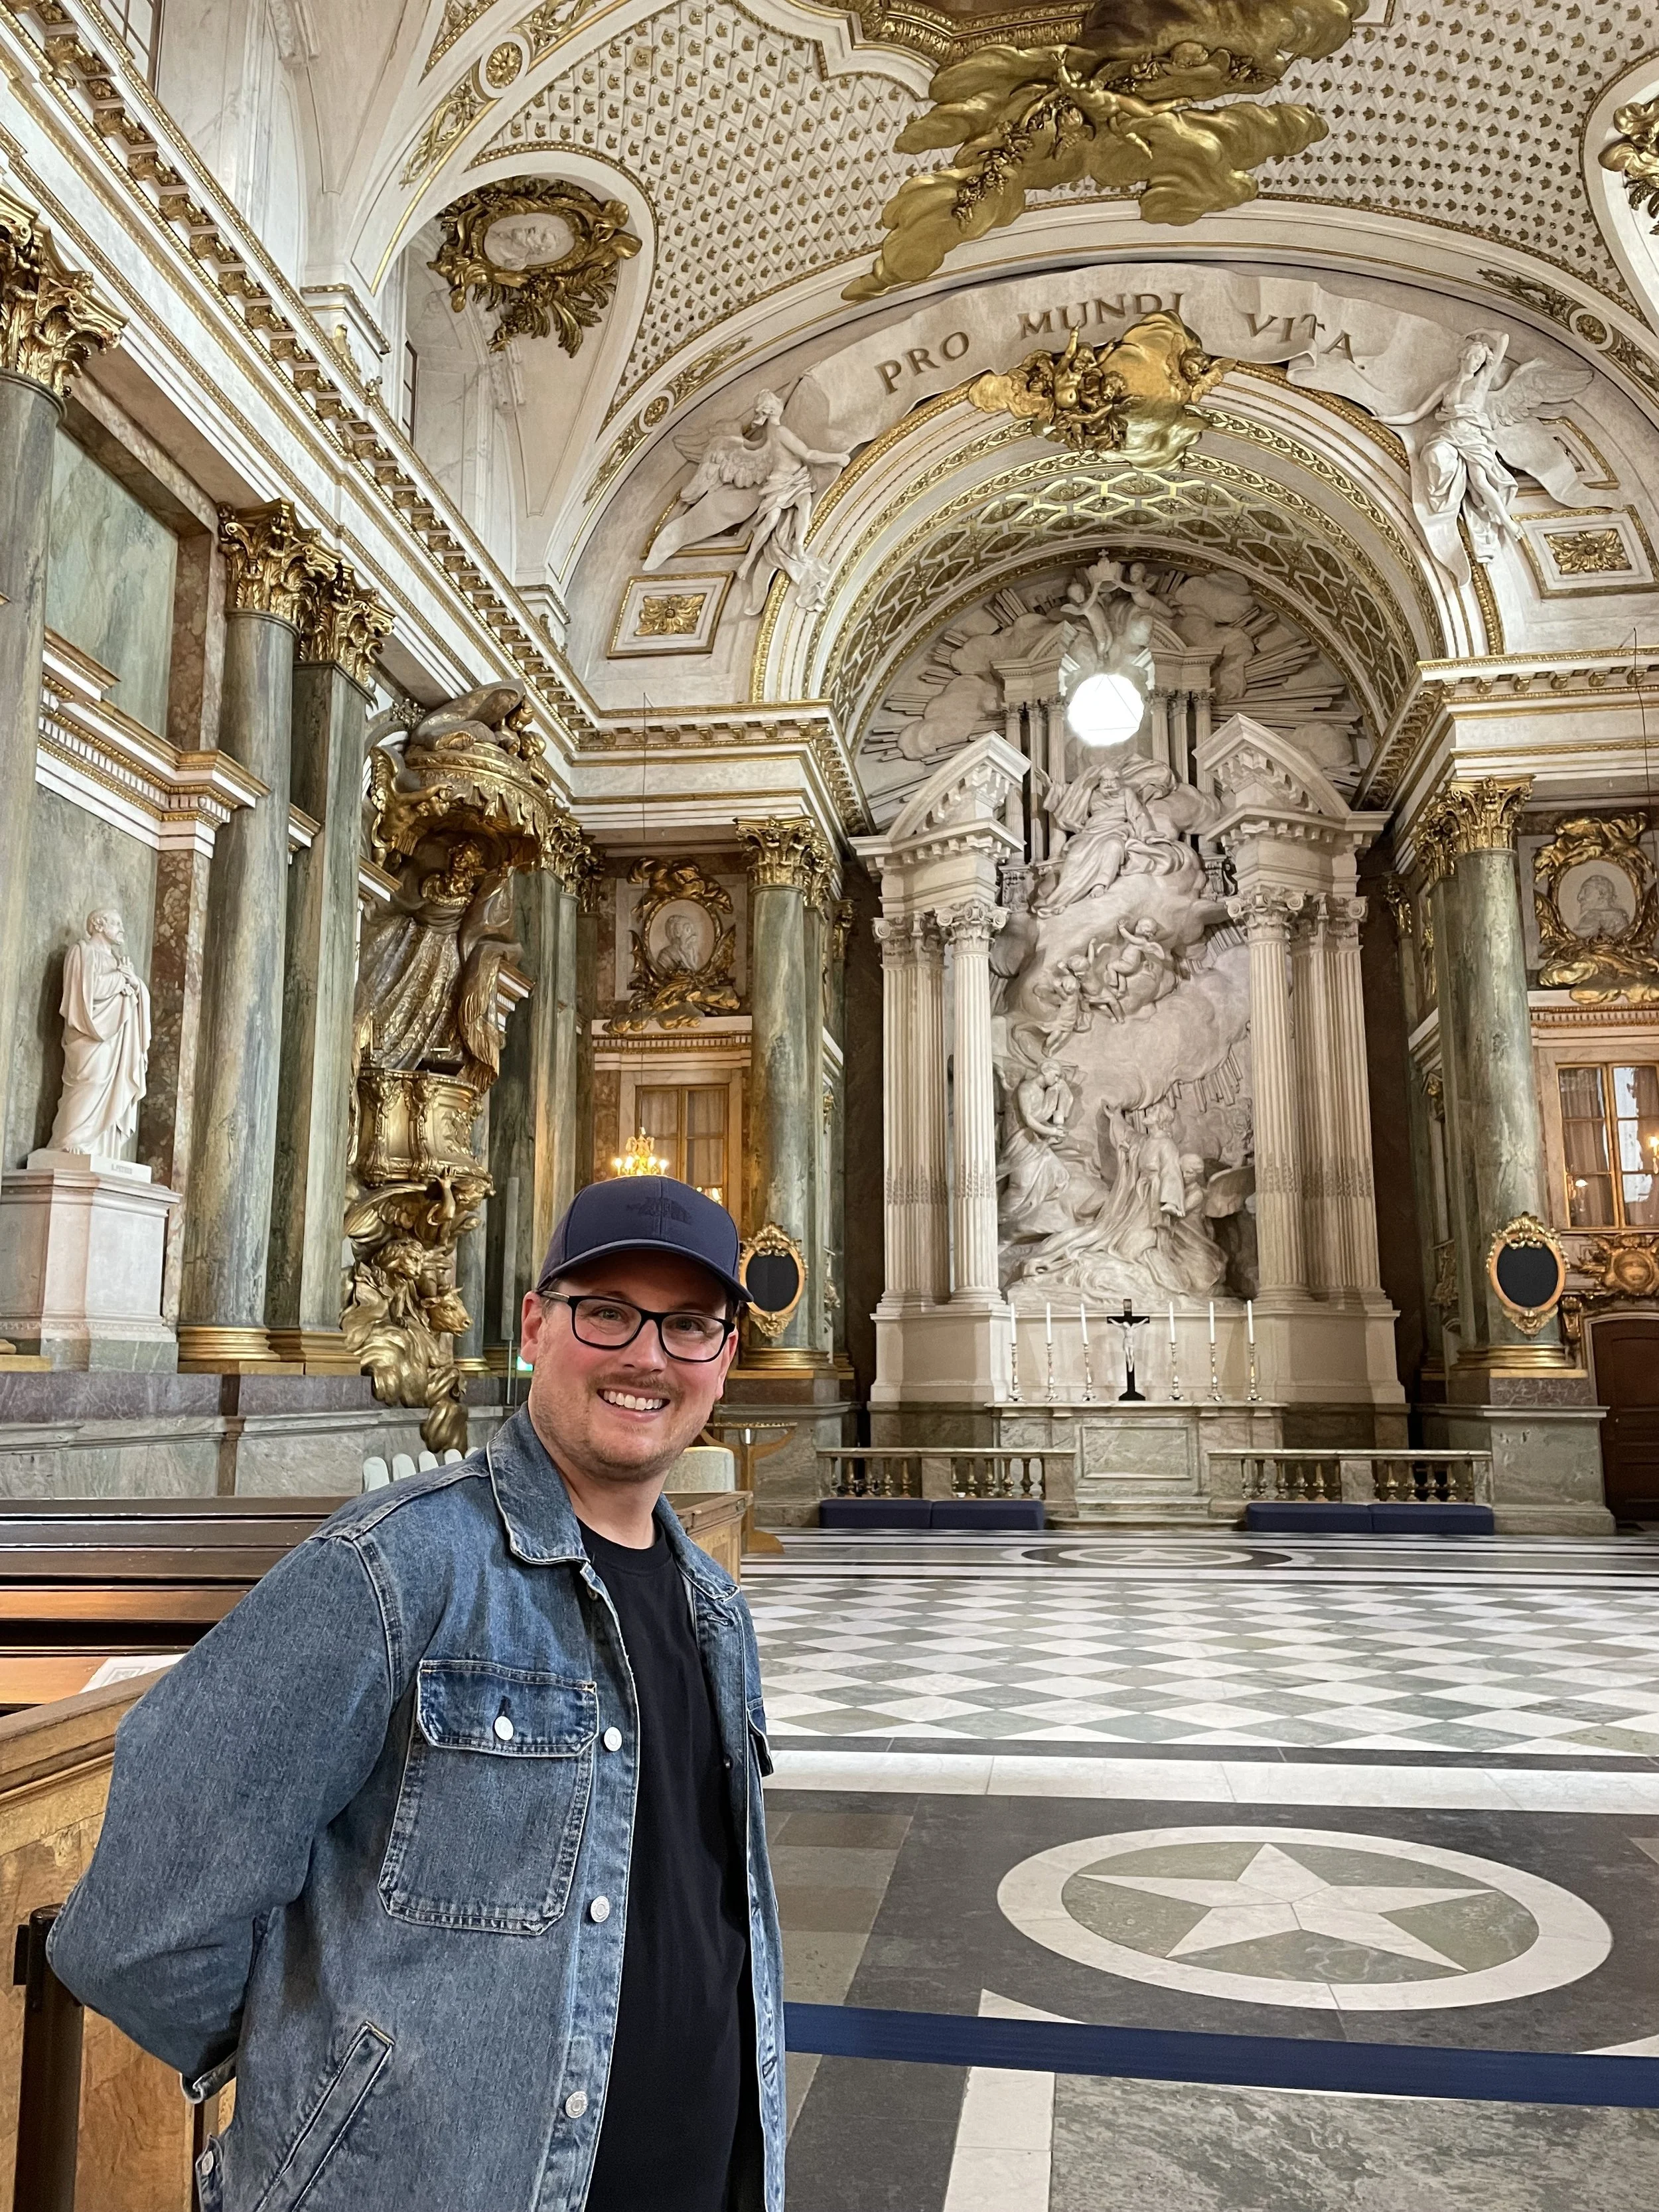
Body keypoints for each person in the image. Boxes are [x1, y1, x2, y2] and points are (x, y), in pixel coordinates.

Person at [47, 1176, 784, 2212]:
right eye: (606, 1312)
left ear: (726, 1358)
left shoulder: (716, 1610)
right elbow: (134, 1923)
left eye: (689, 1325)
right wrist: (332, 2089)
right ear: (536, 1325)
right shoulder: (391, 1569)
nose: (647, 1355)